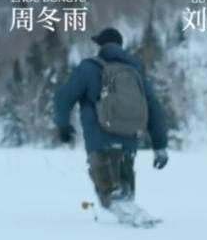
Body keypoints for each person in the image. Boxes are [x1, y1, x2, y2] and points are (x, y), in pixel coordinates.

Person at [53, 27, 170, 228]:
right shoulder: (135, 72)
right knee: (124, 191)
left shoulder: (89, 68)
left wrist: (63, 125)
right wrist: (160, 145)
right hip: (128, 142)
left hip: (100, 141)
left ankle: (129, 222)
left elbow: (63, 97)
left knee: (109, 193)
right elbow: (154, 109)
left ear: (100, 45)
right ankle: (134, 216)